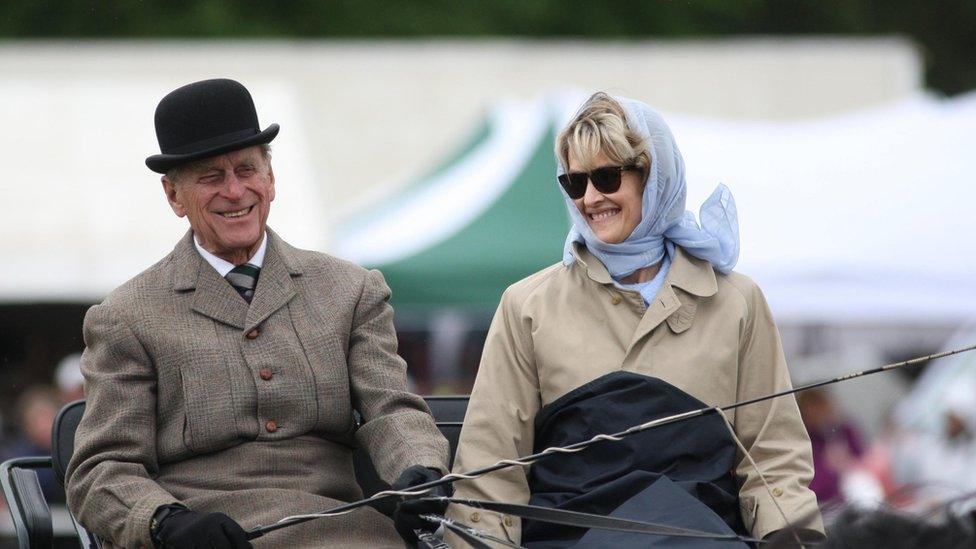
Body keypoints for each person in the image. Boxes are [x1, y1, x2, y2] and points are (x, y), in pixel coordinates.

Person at [65, 78, 449, 549]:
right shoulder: (127, 316)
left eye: (247, 169)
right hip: (210, 537)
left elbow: (391, 409)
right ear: (173, 196)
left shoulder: (350, 290)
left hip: (345, 531)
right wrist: (164, 521)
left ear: (270, 178)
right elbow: (100, 469)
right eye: (210, 177)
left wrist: (422, 472)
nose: (234, 190)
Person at [440, 93, 825, 547]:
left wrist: (793, 539)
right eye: (574, 182)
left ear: (654, 174)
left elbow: (772, 457)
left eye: (606, 176)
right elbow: (491, 468)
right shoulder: (527, 305)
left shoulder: (737, 301)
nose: (590, 197)